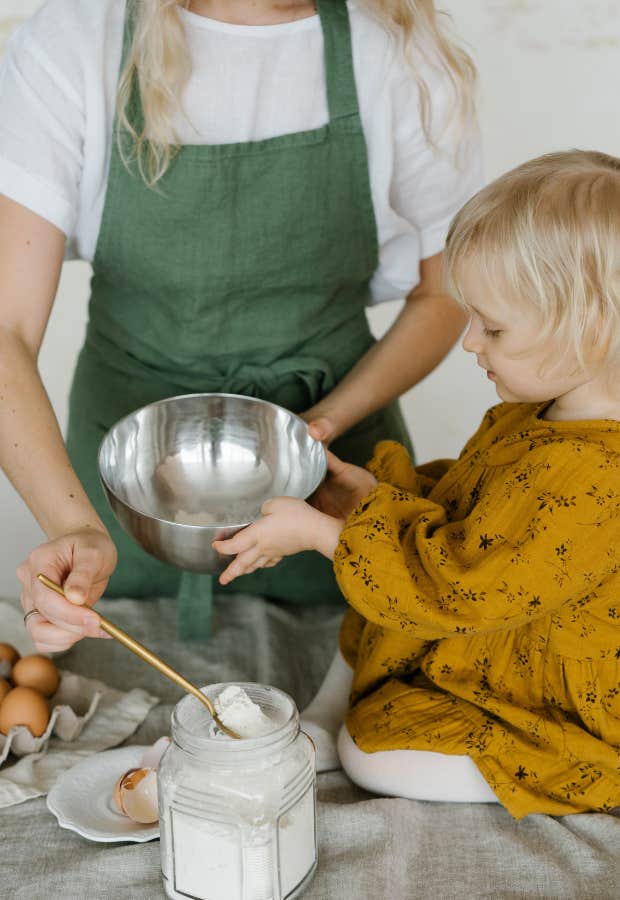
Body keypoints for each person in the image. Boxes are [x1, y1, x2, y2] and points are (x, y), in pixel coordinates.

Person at [0, 0, 481, 649]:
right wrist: (76, 528)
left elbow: (444, 293)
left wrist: (323, 426)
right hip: (126, 497)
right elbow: (6, 331)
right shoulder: (78, 40)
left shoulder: (400, 51)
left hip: (335, 488)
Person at [214, 150, 620, 818]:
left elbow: (458, 588)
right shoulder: (540, 411)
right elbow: (474, 500)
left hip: (544, 691)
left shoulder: (598, 475)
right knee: (373, 577)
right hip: (480, 615)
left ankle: (559, 776)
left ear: (592, 329)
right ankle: (324, 714)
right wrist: (364, 499)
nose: (470, 342)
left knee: (372, 756)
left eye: (493, 327)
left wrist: (324, 536)